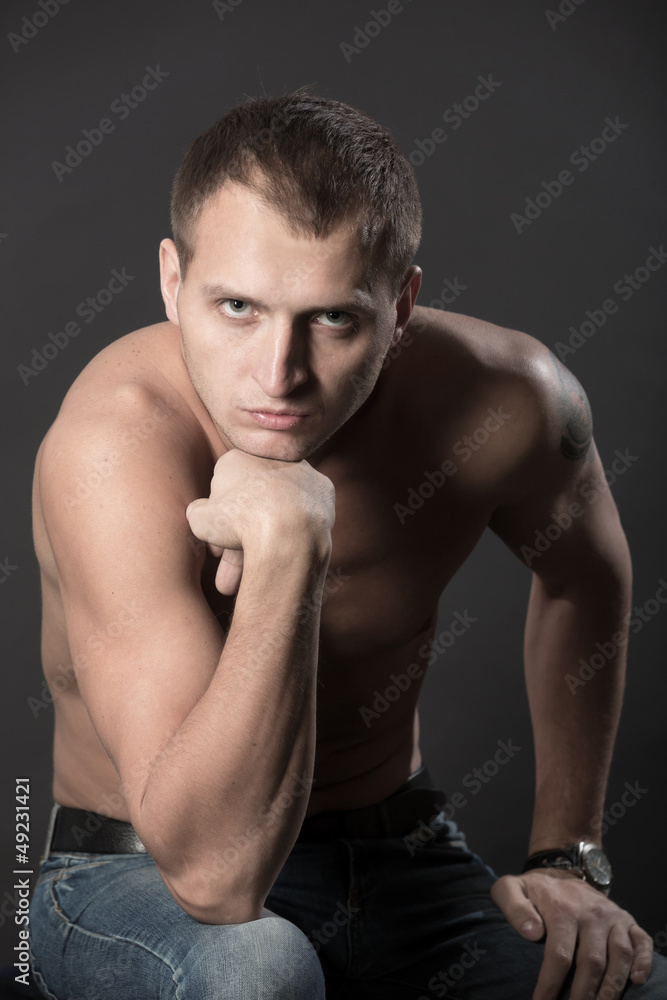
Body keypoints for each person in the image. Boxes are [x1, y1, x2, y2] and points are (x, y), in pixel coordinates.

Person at [28, 90, 666, 1000]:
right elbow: (214, 880)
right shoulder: (116, 445)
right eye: (237, 306)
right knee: (256, 970)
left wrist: (568, 855)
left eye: (332, 318)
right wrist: (290, 551)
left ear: (401, 305)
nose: (276, 374)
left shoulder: (506, 399)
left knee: (631, 986)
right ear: (173, 282)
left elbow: (585, 577)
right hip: (130, 877)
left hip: (401, 854)